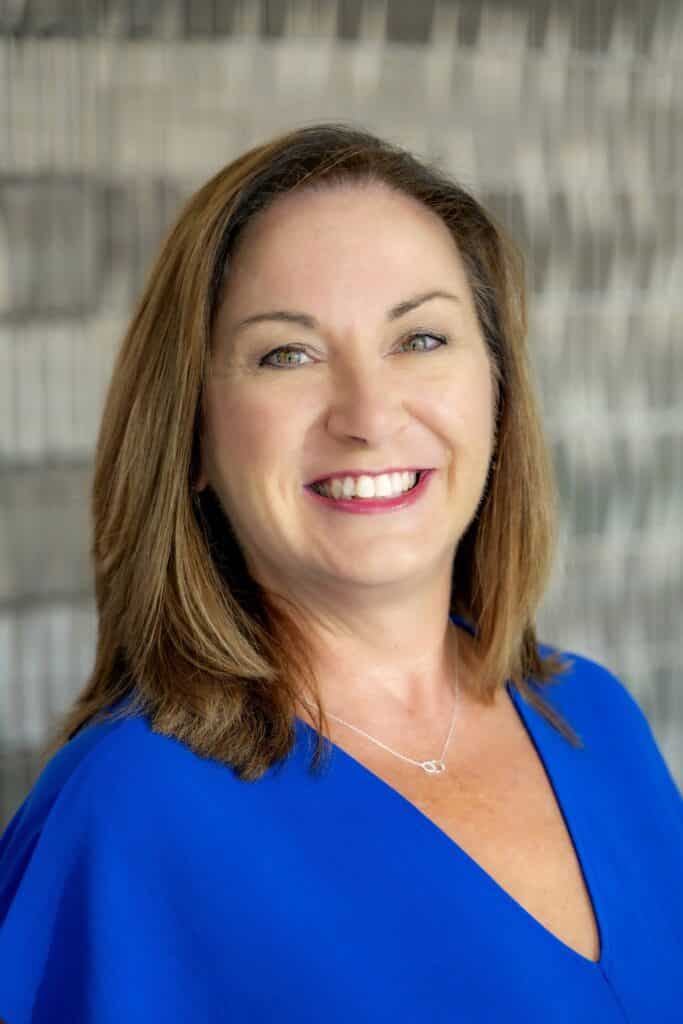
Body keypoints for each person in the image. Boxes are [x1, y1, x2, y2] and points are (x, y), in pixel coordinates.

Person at [0, 123, 681, 1024]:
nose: (366, 415)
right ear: (193, 437)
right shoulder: (124, 818)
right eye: (288, 354)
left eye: (422, 339)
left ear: (497, 392)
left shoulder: (595, 718)